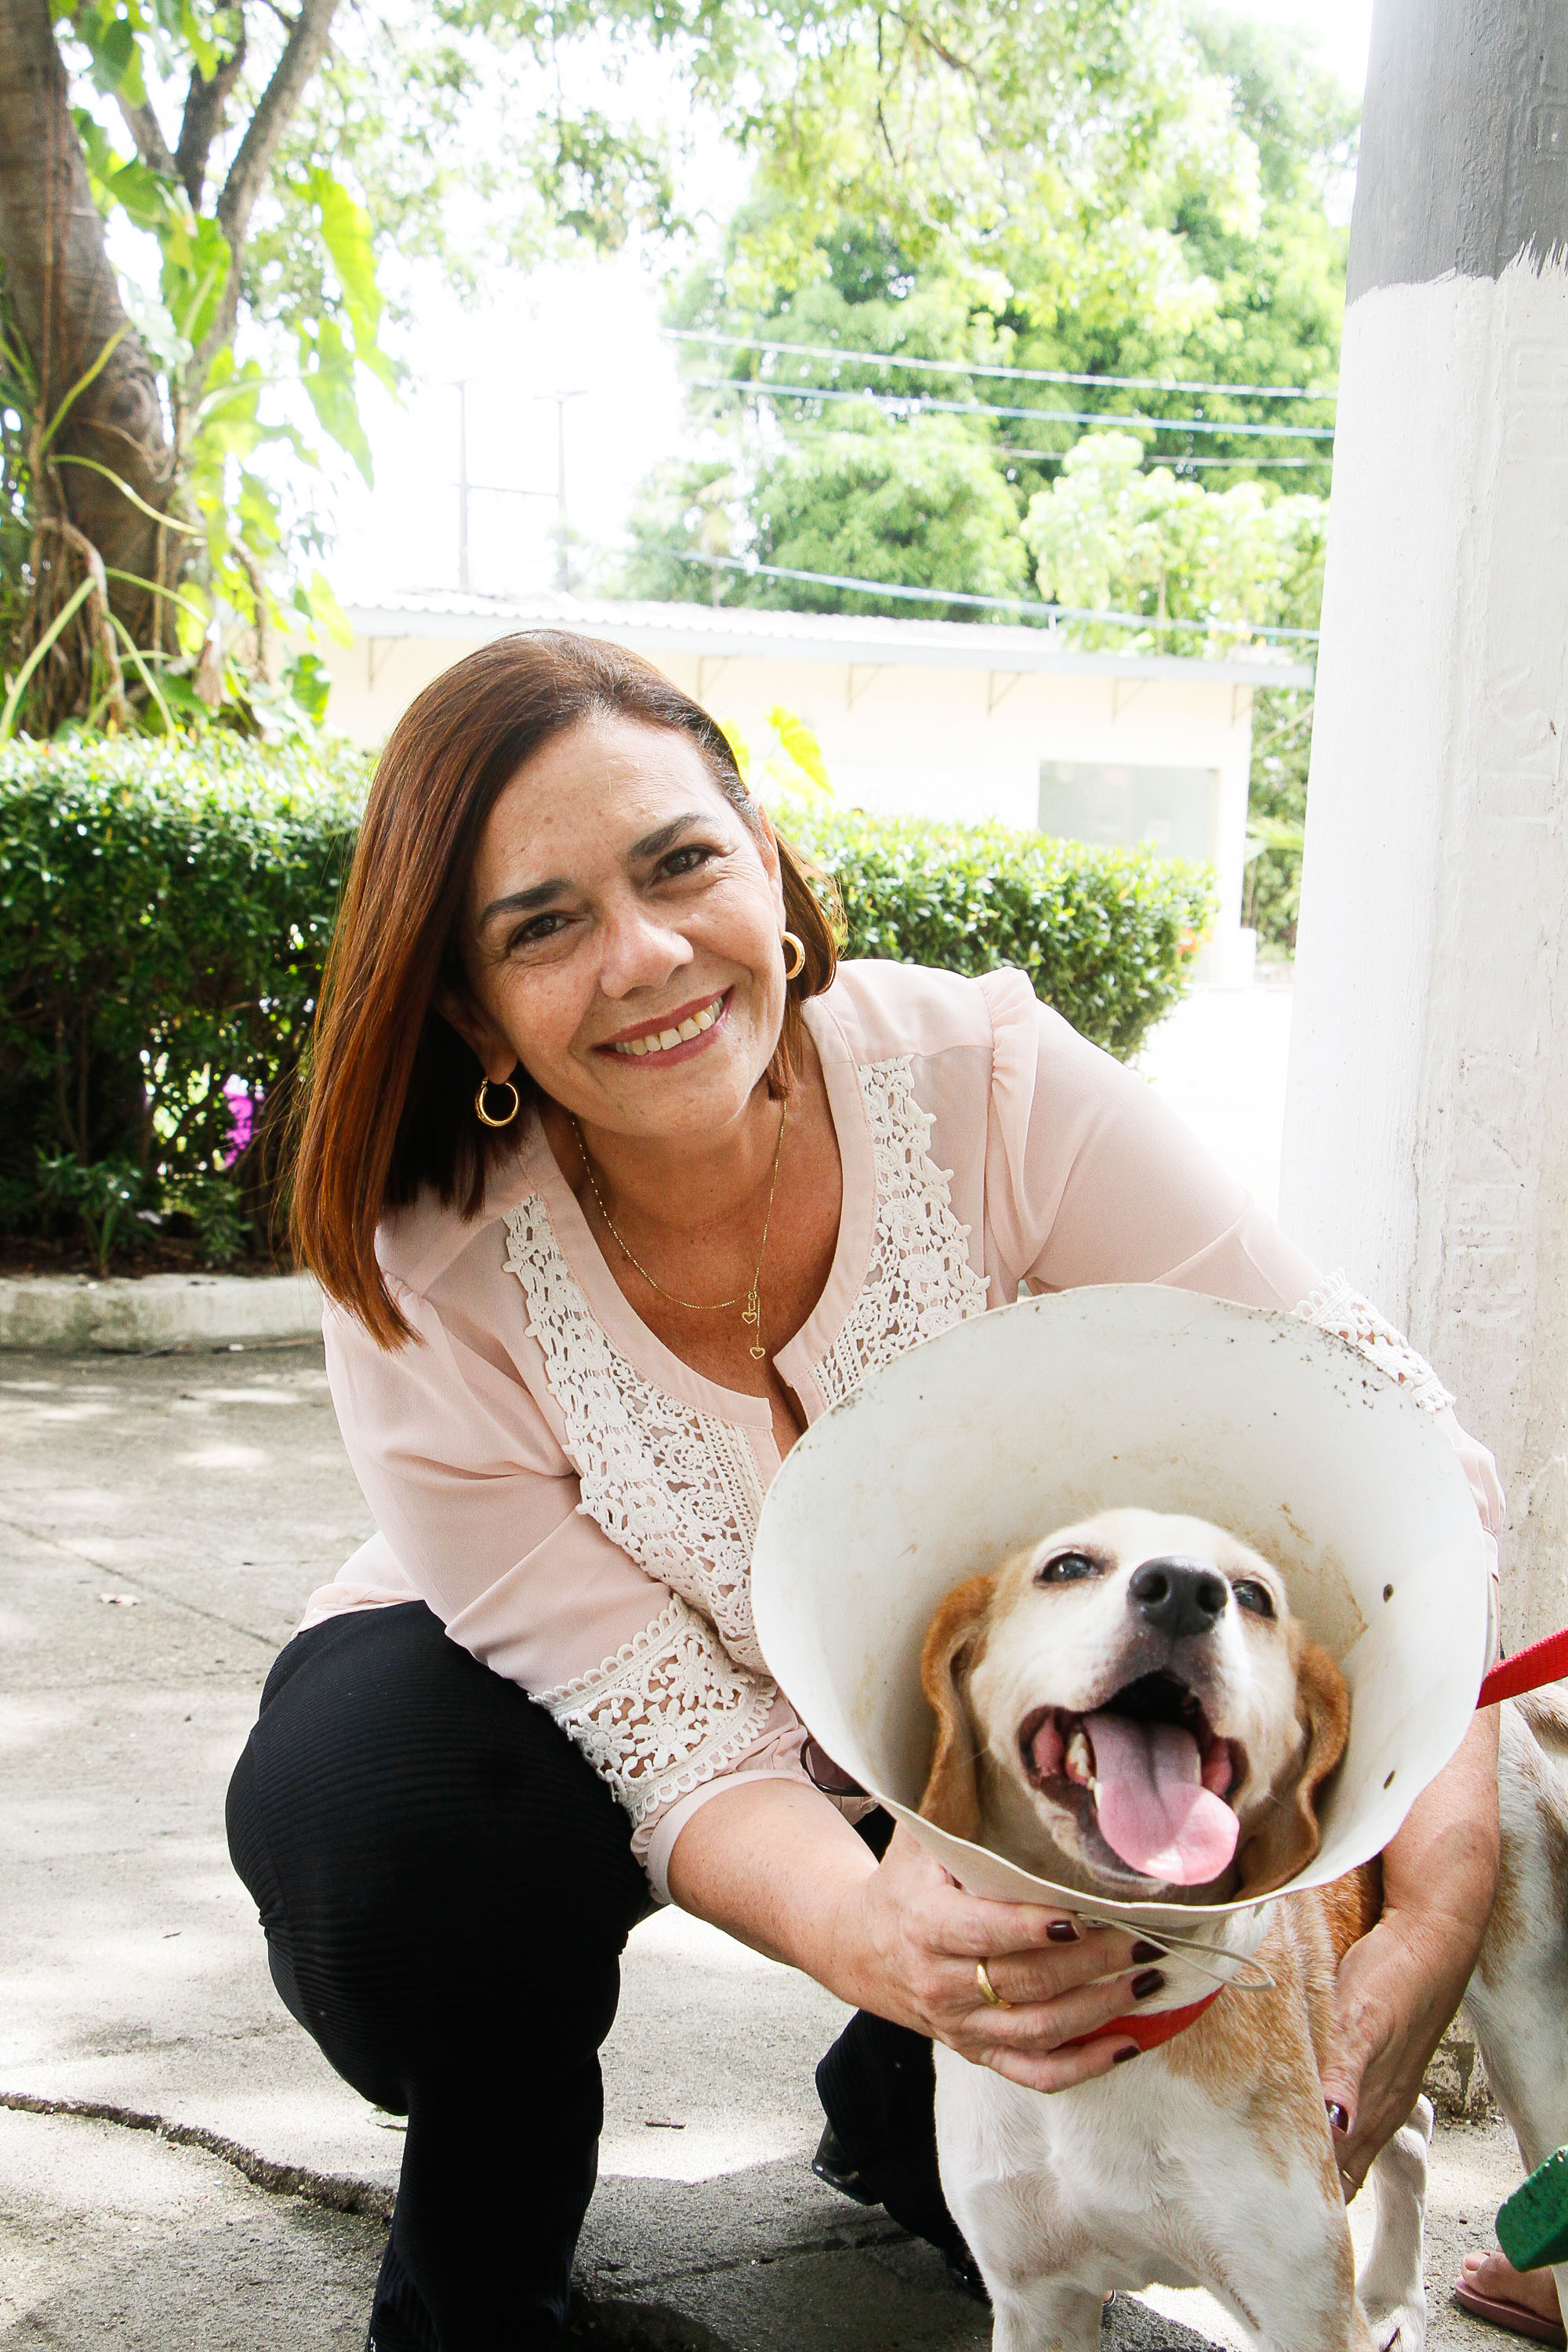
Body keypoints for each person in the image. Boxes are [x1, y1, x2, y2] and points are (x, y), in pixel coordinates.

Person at [227, 630, 1504, 2352]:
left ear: (765, 859)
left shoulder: (982, 1077)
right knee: (404, 1818)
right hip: (565, 1717)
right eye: (544, 924)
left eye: (683, 863)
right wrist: (867, 1933)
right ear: (470, 1008)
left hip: (980, 1729)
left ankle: (903, 2101)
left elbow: (1384, 1443)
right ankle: (481, 2266)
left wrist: (1431, 1895)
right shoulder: (428, 1271)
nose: (649, 956)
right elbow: (669, 1735)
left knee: (990, 2062)